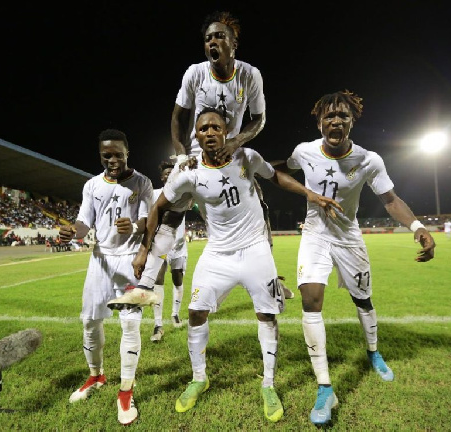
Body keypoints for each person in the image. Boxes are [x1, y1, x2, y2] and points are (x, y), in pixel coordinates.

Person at [127, 108, 340, 423]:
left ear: (226, 131)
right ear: (196, 137)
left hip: (255, 251)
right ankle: (199, 378)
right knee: (196, 312)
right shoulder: (186, 171)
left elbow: (275, 175)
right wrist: (145, 249)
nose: (210, 132)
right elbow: (158, 208)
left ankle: (268, 384)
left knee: (266, 315)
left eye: (215, 126)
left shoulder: (246, 157)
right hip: (217, 254)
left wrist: (310, 194)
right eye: (203, 129)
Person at [275, 90, 436, 425]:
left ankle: (373, 352)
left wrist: (418, 227)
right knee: (310, 298)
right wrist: (245, 165)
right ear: (319, 121)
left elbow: (390, 200)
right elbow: (280, 168)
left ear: (352, 121)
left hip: (349, 239)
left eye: (343, 116)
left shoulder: (368, 160)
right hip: (315, 236)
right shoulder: (304, 152)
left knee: (363, 300)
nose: (336, 121)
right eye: (329, 116)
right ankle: (324, 388)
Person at [110, 10, 273, 306]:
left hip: (229, 153)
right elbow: (177, 118)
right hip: (195, 158)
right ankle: (144, 285)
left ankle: (271, 279)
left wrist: (236, 141)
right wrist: (182, 154)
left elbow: (259, 119)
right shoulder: (195, 73)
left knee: (258, 208)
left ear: (233, 43)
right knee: (170, 213)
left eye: (219, 36)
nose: (212, 41)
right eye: (208, 37)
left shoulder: (250, 75)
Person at [58, 129, 155, 426]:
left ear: (128, 152)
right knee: (89, 320)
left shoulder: (142, 183)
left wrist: (135, 228)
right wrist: (71, 233)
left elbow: (150, 220)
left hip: (128, 264)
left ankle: (126, 391)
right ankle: (96, 375)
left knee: (129, 323)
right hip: (99, 261)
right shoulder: (92, 185)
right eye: (106, 155)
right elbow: (84, 221)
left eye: (117, 154)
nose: (112, 160)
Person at [149, 160, 189, 342]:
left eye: (170, 173)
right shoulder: (155, 194)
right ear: (161, 177)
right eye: (165, 174)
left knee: (178, 280)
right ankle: (158, 325)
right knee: (158, 280)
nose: (167, 176)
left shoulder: (185, 192)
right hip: (161, 244)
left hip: (179, 247)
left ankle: (175, 314)